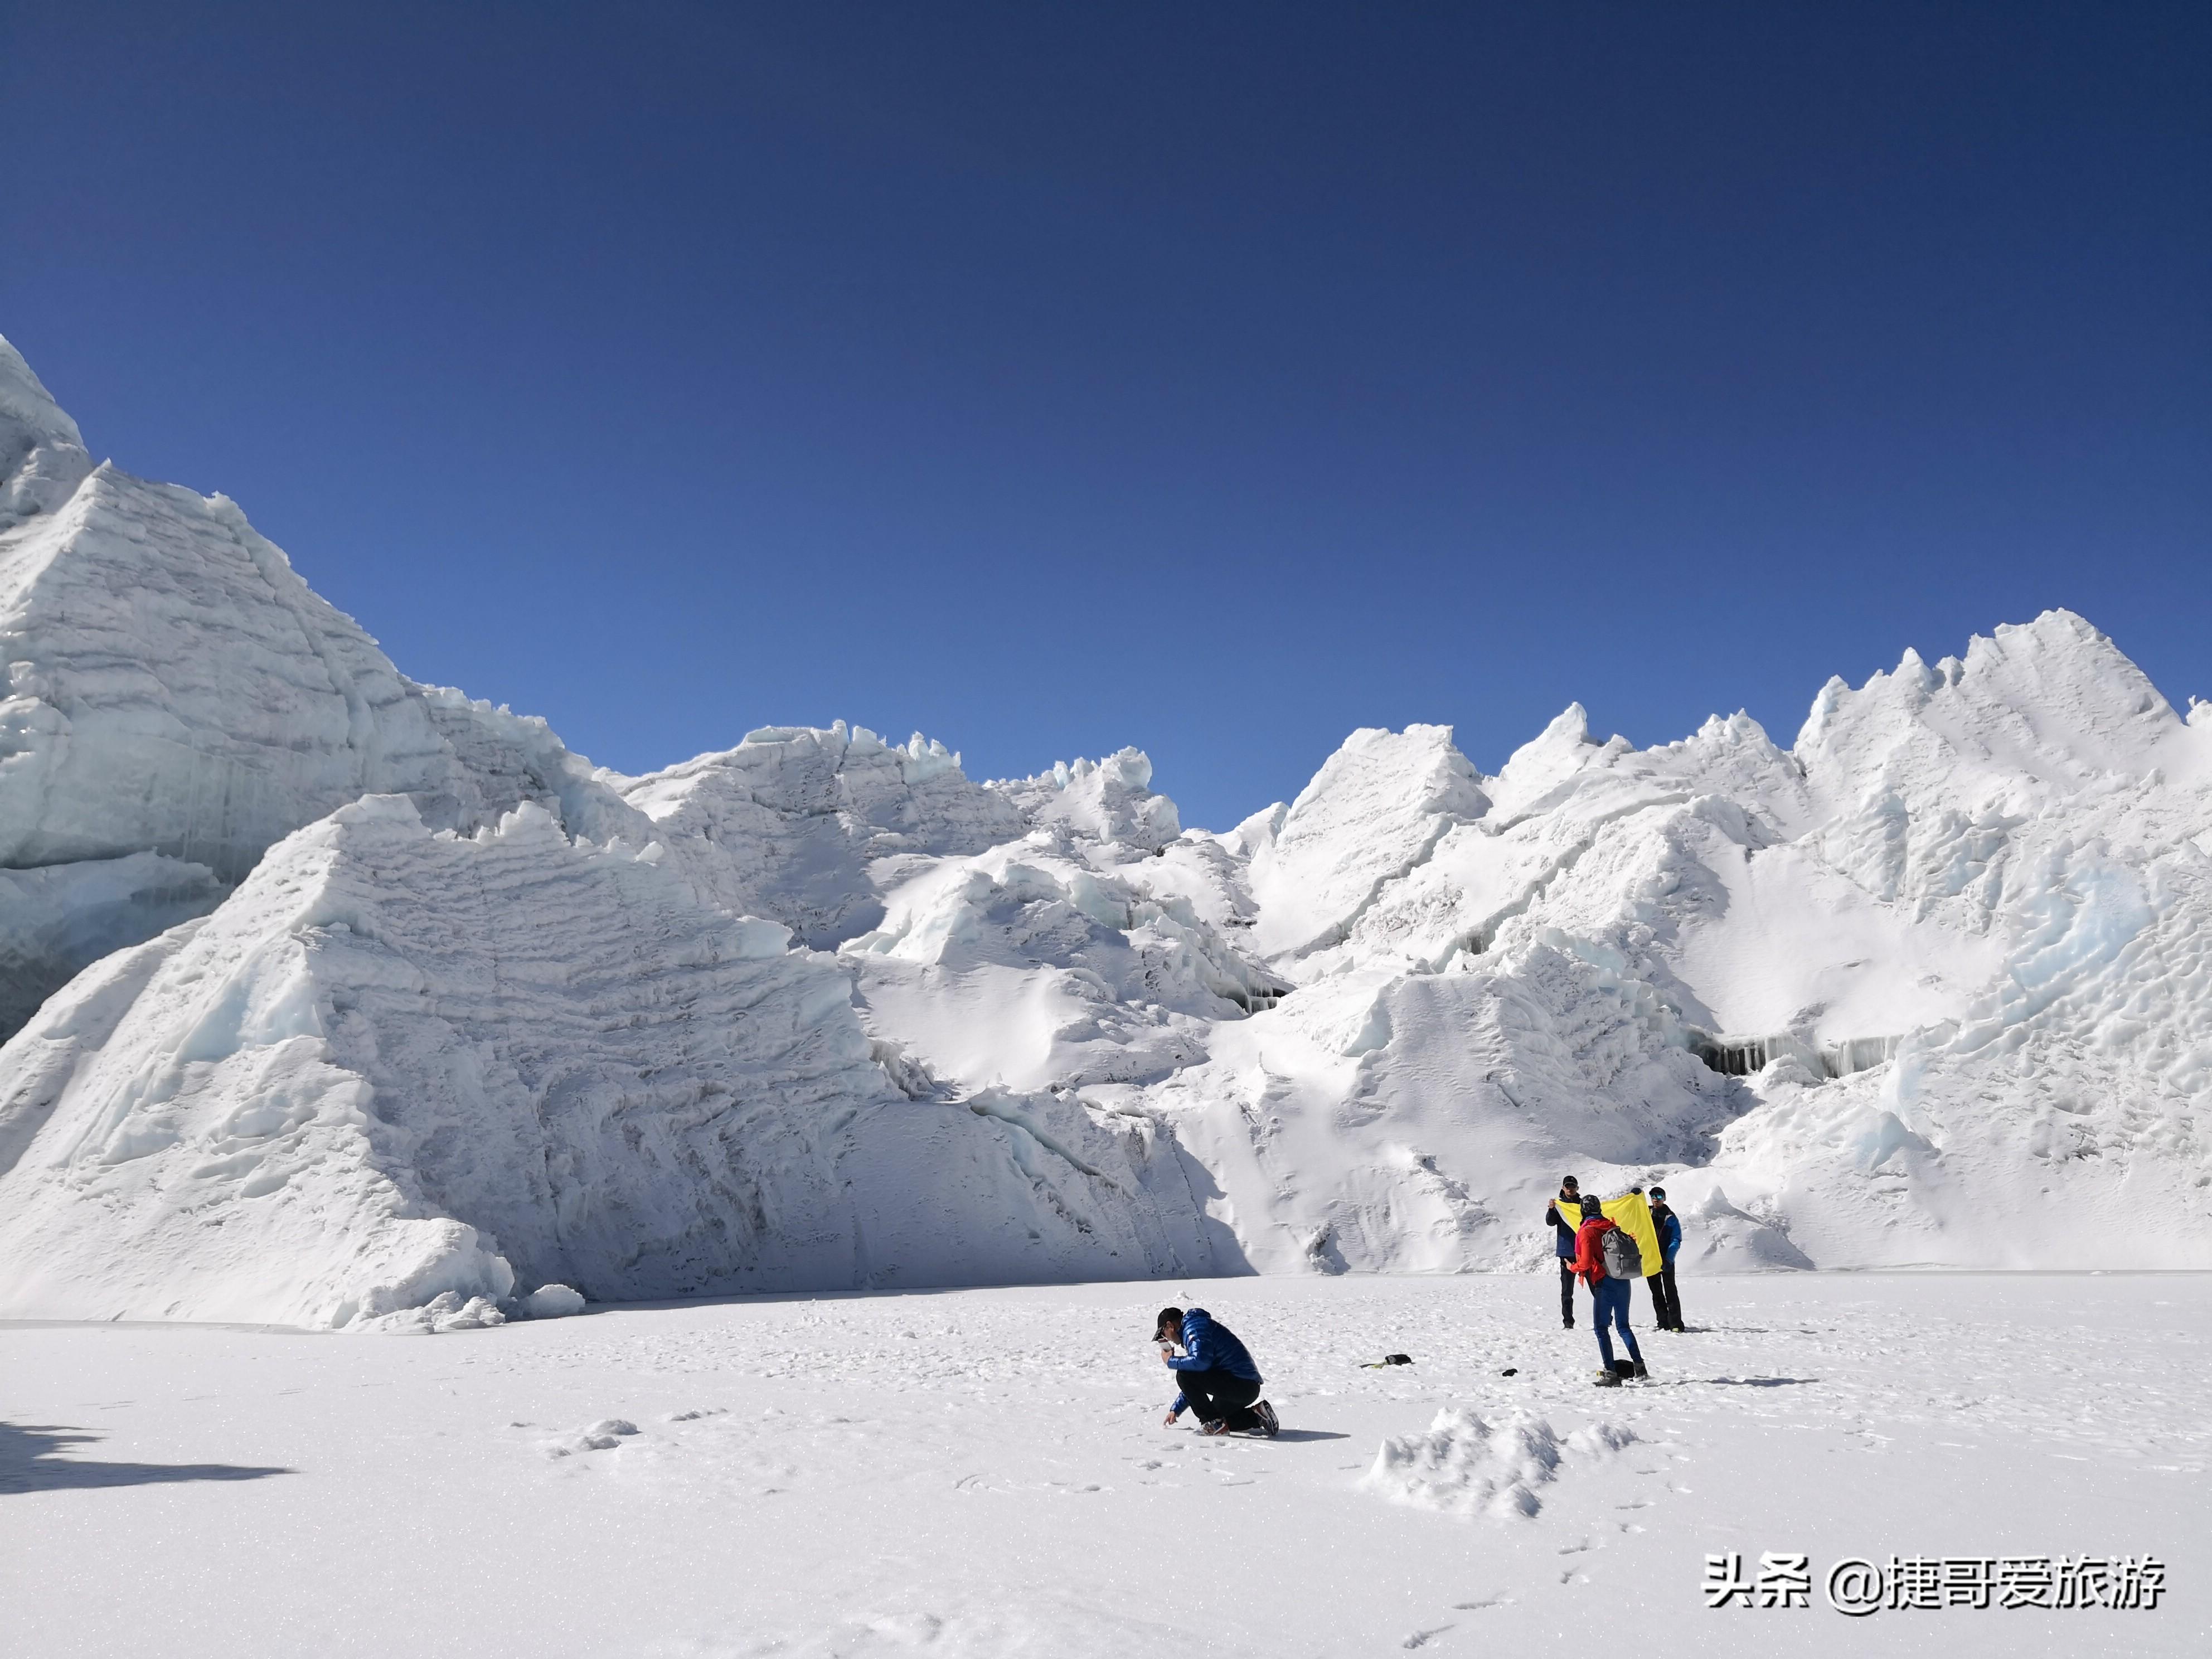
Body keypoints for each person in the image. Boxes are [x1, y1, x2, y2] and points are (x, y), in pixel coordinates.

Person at [1156, 1306, 1279, 1437]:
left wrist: (1171, 1361)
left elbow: (1200, 1363)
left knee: (1183, 1375)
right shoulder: (1195, 1326)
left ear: (1170, 1326)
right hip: (1245, 1386)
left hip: (1241, 1384)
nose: (1167, 1339)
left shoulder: (1194, 1328)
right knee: (1218, 1421)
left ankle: (1214, 1423)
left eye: (1163, 1334)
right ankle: (1258, 1416)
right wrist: (1176, 1409)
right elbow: (1196, 1381)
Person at [1571, 1194, 1647, 1382]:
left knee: (1601, 1328)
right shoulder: (1611, 1226)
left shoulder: (1588, 1231)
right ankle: (1640, 1368)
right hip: (1623, 1280)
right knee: (1623, 1327)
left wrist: (1572, 1267)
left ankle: (1611, 1374)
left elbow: (1586, 1262)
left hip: (1605, 1283)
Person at [1542, 1176, 1583, 1329]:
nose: (1570, 1189)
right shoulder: (1559, 1205)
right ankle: (1568, 1322)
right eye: (1567, 1186)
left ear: (1577, 1188)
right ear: (1563, 1188)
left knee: (1596, 1287)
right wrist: (1552, 1209)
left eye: (1573, 1186)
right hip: (1567, 1252)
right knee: (1567, 1291)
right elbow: (1550, 1222)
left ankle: (1605, 1318)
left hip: (1584, 1251)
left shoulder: (1583, 1204)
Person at [1648, 1185, 1685, 1331]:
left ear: (1664, 1198)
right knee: (1656, 1291)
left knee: (1670, 1291)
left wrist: (1669, 1259)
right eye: (1653, 1196)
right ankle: (1662, 1321)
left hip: (1666, 1259)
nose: (1656, 1200)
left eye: (1659, 1196)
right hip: (1651, 1259)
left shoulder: (1671, 1218)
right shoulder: (1646, 1213)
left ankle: (1675, 1323)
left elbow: (1676, 1239)